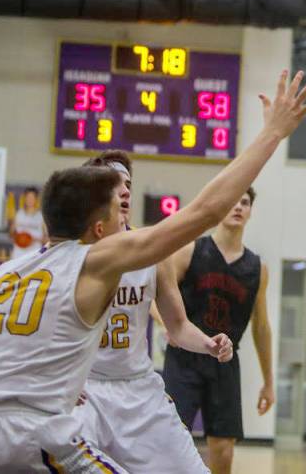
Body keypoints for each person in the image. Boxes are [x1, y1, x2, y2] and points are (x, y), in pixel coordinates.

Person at [0, 69, 306, 471]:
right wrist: (272, 133)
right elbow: (206, 210)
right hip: (53, 417)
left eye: (126, 191)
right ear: (97, 225)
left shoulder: (7, 272)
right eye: (114, 196)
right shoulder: (96, 260)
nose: (124, 201)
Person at [72, 150, 233, 474]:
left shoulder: (152, 250)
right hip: (83, 389)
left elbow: (177, 326)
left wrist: (208, 344)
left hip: (136, 388)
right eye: (115, 183)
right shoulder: (71, 254)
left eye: (128, 183)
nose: (126, 191)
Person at [165, 187, 275, 474]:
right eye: (233, 201)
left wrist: (269, 381)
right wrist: (170, 325)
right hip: (185, 357)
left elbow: (261, 326)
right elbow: (157, 294)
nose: (238, 207)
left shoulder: (257, 268)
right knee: (171, 439)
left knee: (224, 450)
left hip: (225, 361)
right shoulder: (191, 251)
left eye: (245, 202)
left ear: (251, 211)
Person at [9, 186, 46, 261]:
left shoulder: (41, 216)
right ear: (25, 198)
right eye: (28, 197)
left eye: (32, 198)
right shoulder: (19, 214)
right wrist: (19, 237)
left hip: (34, 253)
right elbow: (11, 234)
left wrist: (32, 239)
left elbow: (47, 239)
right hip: (19, 253)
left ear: (36, 199)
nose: (30, 200)